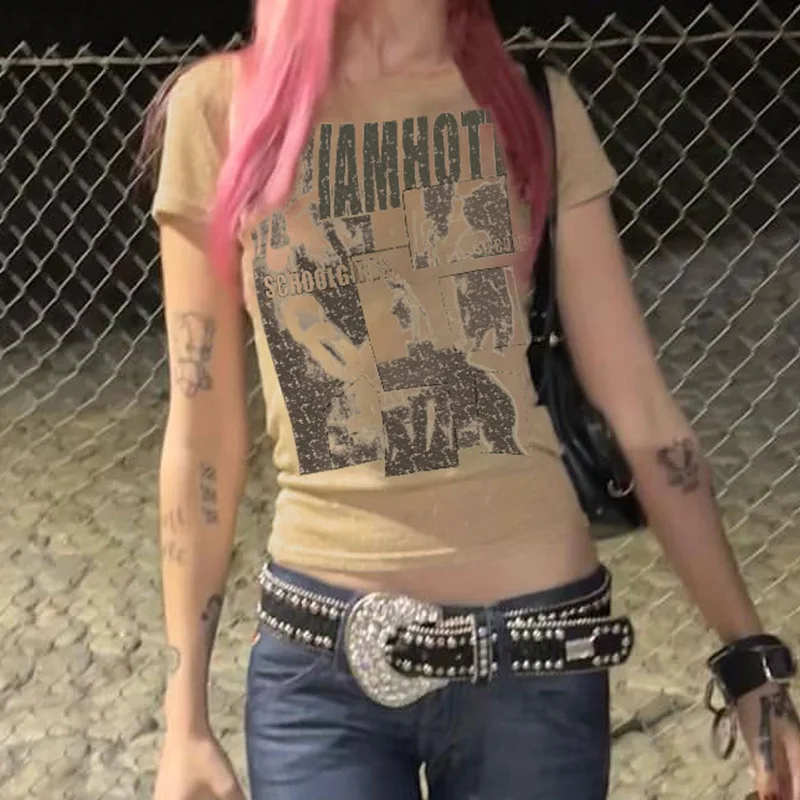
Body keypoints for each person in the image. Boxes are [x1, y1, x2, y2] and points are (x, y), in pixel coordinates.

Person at [144, 1, 800, 798]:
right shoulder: (225, 111)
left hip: (536, 660)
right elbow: (202, 437)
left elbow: (641, 407)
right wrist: (184, 719)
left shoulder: (531, 107)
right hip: (319, 677)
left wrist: (751, 660)